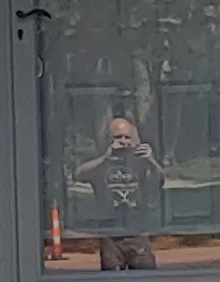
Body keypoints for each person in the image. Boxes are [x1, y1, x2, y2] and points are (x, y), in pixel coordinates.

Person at [69, 109, 163, 270]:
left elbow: (160, 181)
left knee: (145, 278)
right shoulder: (101, 164)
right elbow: (78, 174)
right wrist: (106, 158)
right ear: (109, 139)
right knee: (112, 279)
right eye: (118, 137)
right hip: (110, 233)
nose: (123, 141)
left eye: (127, 137)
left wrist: (151, 160)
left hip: (137, 231)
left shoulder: (141, 162)